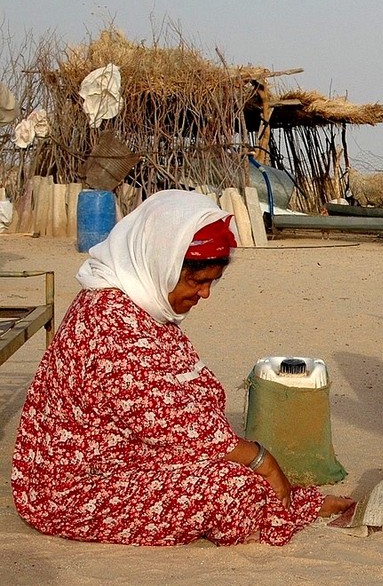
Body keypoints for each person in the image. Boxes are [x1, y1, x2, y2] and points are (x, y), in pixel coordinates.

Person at [11, 190, 351, 546]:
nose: (205, 295)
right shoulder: (108, 320)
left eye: (211, 282)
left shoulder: (143, 307)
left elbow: (188, 407)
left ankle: (285, 502)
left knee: (236, 466)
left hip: (129, 459)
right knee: (230, 489)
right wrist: (261, 460)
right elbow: (171, 422)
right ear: (164, 263)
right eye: (197, 281)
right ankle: (283, 507)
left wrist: (246, 456)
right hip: (77, 488)